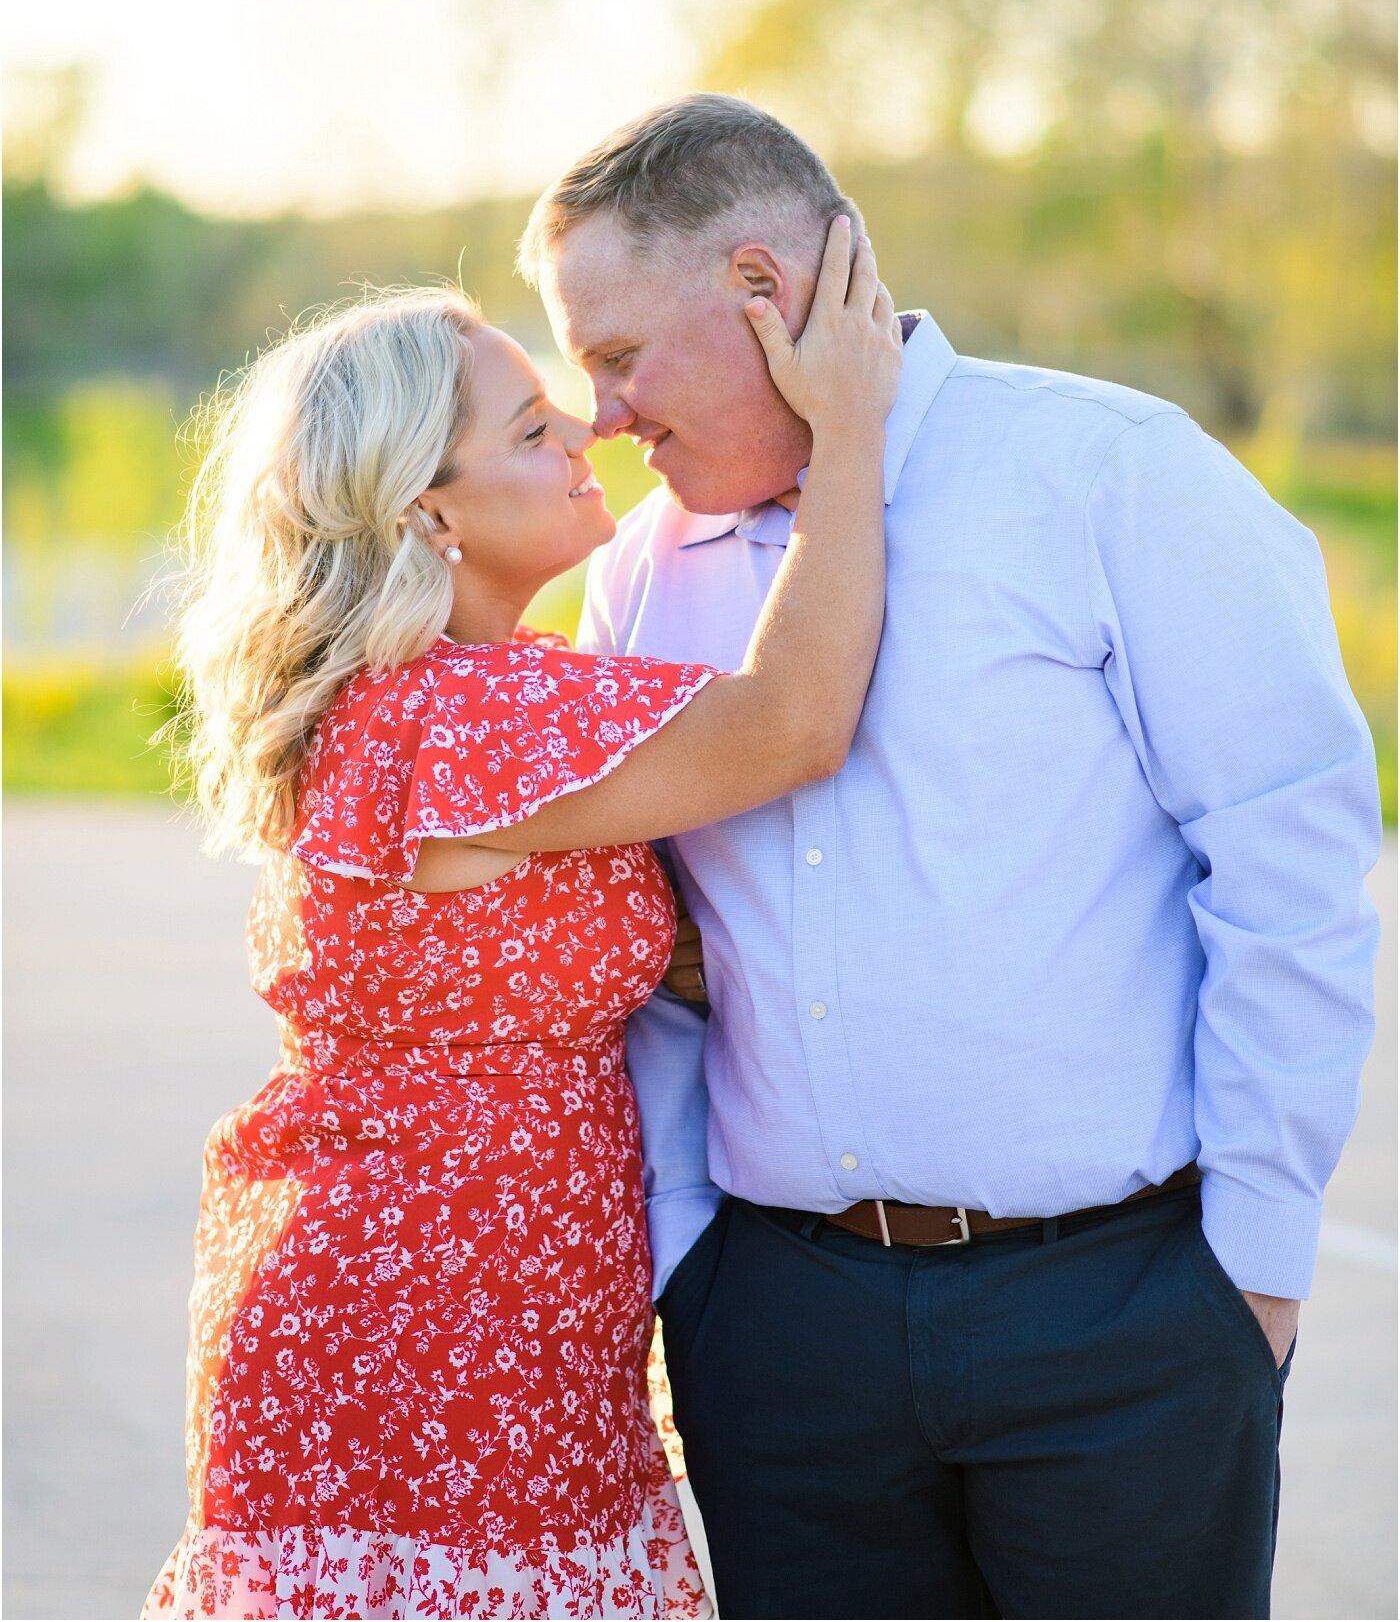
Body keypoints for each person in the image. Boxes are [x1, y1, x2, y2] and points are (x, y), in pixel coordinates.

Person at [519, 92, 1383, 1622]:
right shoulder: (644, 576)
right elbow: (647, 950)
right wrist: (690, 1265)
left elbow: (1288, 864)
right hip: (784, 1337)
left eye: (617, 356)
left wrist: (1246, 1274)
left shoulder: (1115, 475)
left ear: (764, 293)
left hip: (1126, 1321)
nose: (603, 416)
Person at [144, 241, 902, 1620]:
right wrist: (851, 430)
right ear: (425, 510)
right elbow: (795, 717)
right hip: (433, 1338)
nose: (588, 435)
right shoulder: (465, 715)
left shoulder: (455, 699)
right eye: (533, 428)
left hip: (478, 1314)